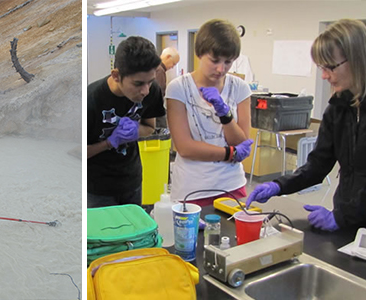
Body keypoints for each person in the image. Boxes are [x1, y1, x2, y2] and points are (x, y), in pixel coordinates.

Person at [243, 19, 366, 232]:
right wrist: (279, 185)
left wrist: (342, 217)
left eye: (330, 67)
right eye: (321, 68)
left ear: (358, 58)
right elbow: (318, 165)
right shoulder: (338, 107)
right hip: (346, 217)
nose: (324, 76)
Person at [165, 19, 254, 206]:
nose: (221, 69)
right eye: (214, 61)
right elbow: (185, 147)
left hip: (232, 186)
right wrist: (229, 153)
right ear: (199, 54)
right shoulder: (178, 88)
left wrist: (225, 114)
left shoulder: (240, 88)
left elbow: (242, 143)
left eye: (228, 62)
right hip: (192, 189)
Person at [86, 36, 164, 208]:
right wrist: (108, 143)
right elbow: (75, 154)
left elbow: (150, 127)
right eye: (138, 84)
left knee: (133, 233)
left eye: (150, 82)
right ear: (116, 76)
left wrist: (137, 130)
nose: (145, 91)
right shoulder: (90, 101)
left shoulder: (152, 91)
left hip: (132, 181)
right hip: (96, 189)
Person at [155, 47, 180, 129]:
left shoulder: (156, 68)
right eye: (173, 63)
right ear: (168, 57)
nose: (172, 67)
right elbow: (157, 94)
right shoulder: (159, 71)